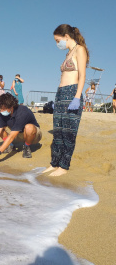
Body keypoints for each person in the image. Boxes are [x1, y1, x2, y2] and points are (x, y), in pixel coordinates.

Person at [43, 24, 89, 176]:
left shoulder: (80, 49)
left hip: (72, 92)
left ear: (66, 37)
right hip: (61, 93)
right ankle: (54, 163)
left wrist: (77, 96)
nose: (57, 44)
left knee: (69, 132)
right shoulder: (68, 53)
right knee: (58, 131)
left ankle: (64, 166)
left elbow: (82, 75)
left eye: (58, 40)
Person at [0, 93, 42, 165]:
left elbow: (12, 136)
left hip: (32, 135)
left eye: (4, 109)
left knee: (29, 128)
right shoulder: (3, 114)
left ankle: (27, 147)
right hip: (16, 133)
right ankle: (10, 146)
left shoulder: (22, 112)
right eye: (0, 109)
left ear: (11, 107)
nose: (2, 111)